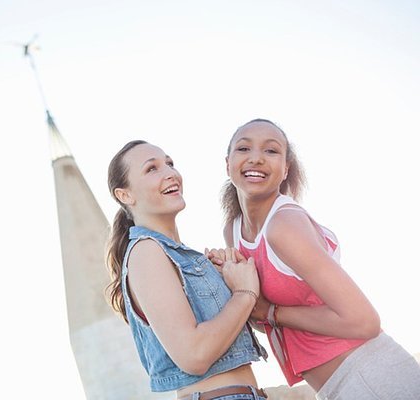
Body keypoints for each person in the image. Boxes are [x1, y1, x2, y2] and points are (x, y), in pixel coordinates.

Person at [210, 118, 420, 399]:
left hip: (371, 375)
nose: (256, 158)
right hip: (334, 387)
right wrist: (234, 286)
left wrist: (269, 311)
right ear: (228, 164)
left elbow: (364, 322)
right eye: (244, 148)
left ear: (285, 169)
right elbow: (267, 322)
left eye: (271, 151)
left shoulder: (284, 224)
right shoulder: (233, 231)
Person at [105, 140, 268, 400]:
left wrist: (228, 278)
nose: (170, 172)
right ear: (125, 195)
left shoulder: (175, 256)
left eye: (169, 163)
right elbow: (194, 355)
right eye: (152, 169)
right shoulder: (146, 252)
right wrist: (243, 294)